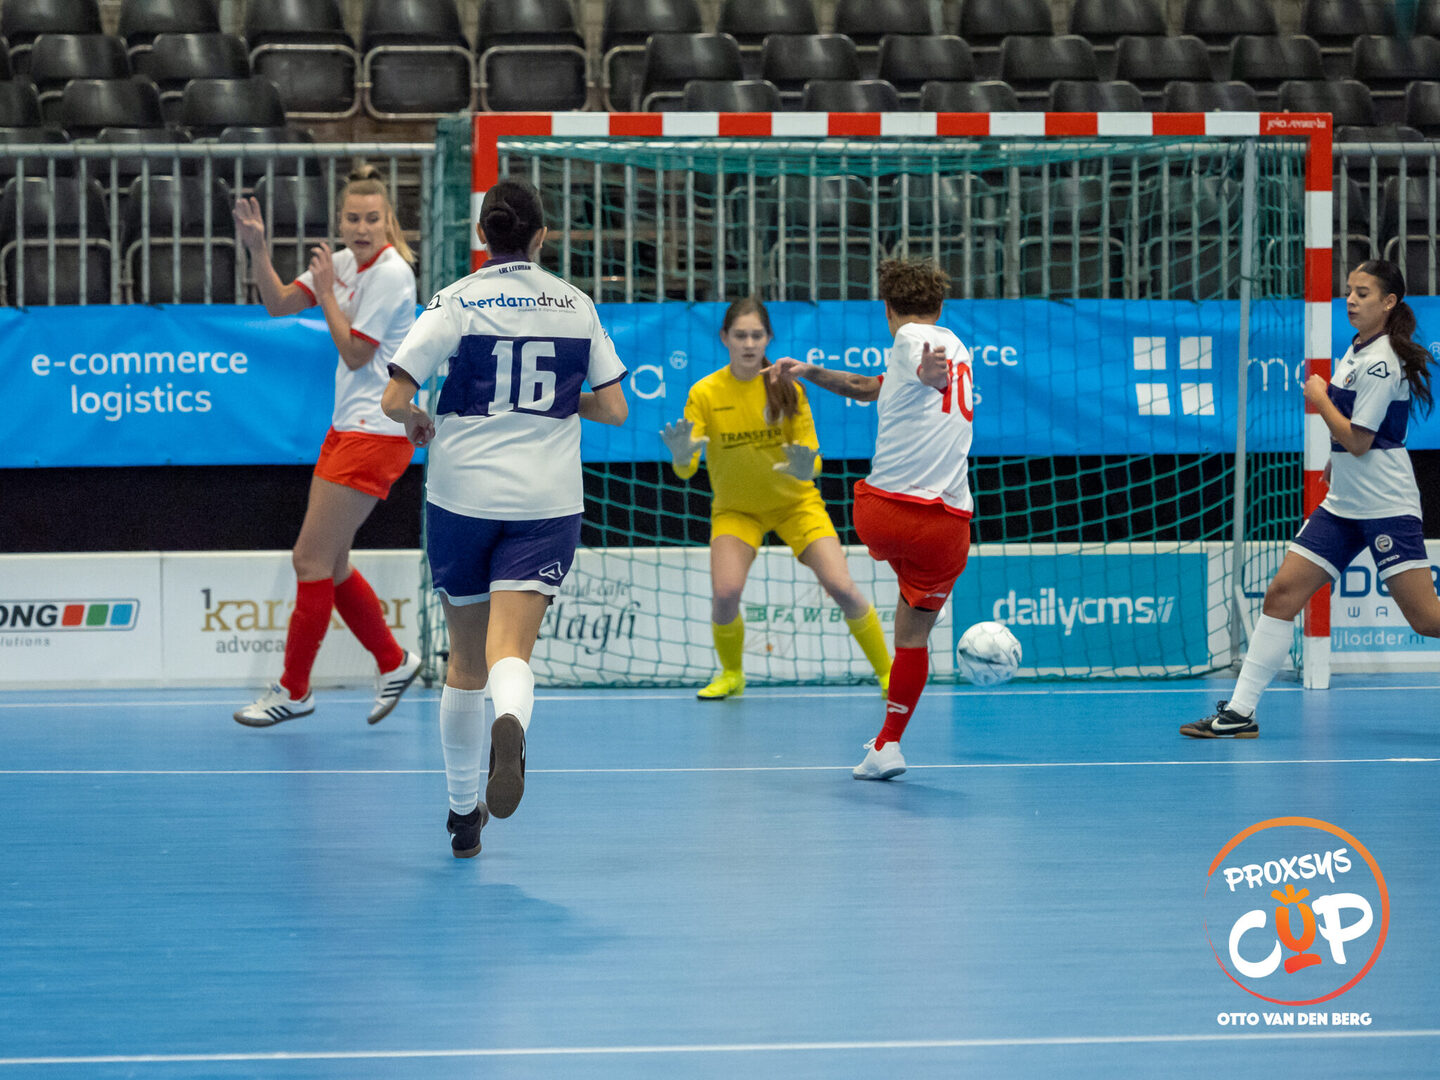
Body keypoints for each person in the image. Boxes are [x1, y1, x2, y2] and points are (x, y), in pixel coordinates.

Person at [381, 178, 628, 858]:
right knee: (510, 650)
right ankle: (511, 719)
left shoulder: (456, 300)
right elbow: (613, 408)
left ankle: (464, 816)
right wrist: (554, 400)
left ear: (482, 237)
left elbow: (393, 397)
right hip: (546, 500)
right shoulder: (575, 305)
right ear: (542, 236)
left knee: (464, 659)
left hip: (463, 495)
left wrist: (417, 417)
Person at [1183, 259, 1440, 738]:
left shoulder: (1382, 360)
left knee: (1427, 619)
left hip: (1386, 505)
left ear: (1389, 302)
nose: (1351, 300)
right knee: (1281, 594)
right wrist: (1336, 460)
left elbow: (1361, 440)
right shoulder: (1357, 348)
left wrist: (1318, 396)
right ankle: (1239, 713)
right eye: (1349, 290)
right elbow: (1356, 437)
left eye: (1363, 293)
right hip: (1342, 505)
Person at [231, 164, 423, 728]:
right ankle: (392, 661)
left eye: (371, 219)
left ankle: (294, 690)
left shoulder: (392, 273)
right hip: (347, 426)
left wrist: (330, 296)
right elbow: (277, 303)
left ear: (387, 221)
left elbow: (357, 354)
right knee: (330, 564)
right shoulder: (337, 264)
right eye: (352, 219)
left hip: (379, 429)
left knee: (308, 559)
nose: (361, 228)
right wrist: (258, 249)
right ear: (339, 220)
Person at [769, 258, 973, 780]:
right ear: (941, 307)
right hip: (947, 526)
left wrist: (927, 374)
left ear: (887, 309)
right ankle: (891, 739)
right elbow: (868, 386)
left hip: (883, 514)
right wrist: (812, 372)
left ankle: (885, 748)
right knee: (914, 635)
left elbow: (916, 358)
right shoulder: (958, 348)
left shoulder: (909, 339)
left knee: (906, 616)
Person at [660, 297, 892, 700]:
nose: (749, 344)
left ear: (768, 337)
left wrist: (805, 468)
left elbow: (812, 460)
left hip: (797, 506)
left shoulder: (788, 387)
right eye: (740, 335)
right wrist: (681, 457)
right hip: (736, 511)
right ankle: (732, 674)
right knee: (725, 594)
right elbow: (685, 470)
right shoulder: (705, 392)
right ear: (724, 338)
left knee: (843, 588)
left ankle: (889, 673)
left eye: (757, 335)